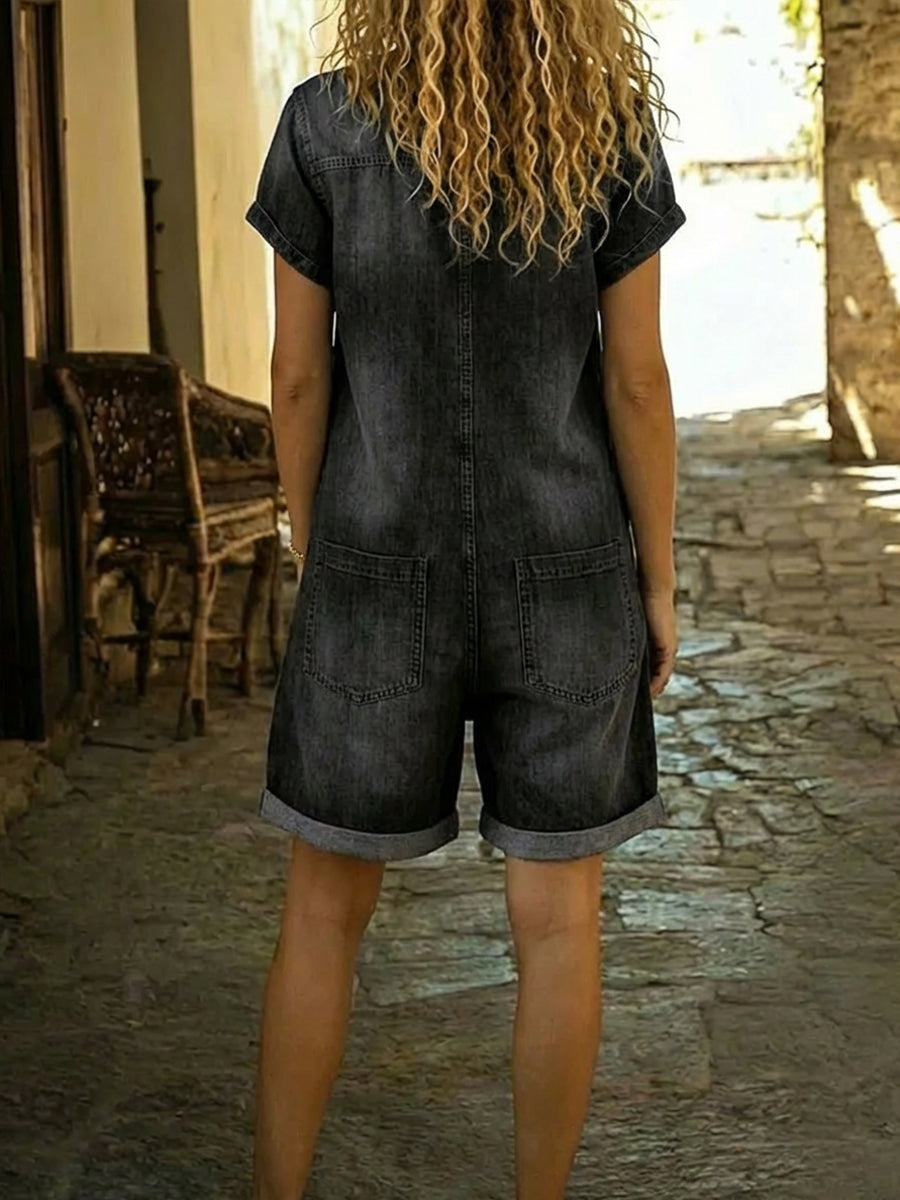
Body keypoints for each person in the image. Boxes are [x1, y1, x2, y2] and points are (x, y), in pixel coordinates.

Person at [245, 2, 685, 1197]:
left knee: (322, 917)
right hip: (569, 568)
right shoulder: (605, 126)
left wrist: (315, 543)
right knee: (558, 927)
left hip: (373, 566)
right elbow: (638, 381)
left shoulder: (324, 127)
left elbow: (296, 377)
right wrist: (657, 577)